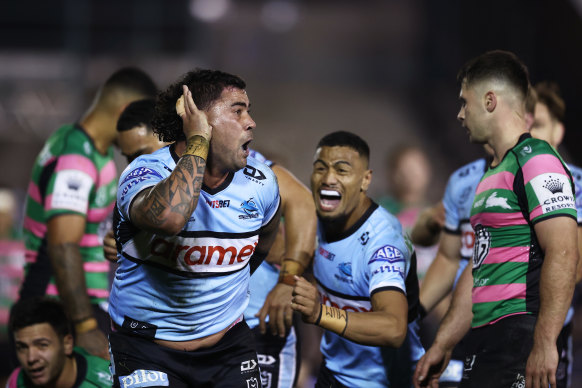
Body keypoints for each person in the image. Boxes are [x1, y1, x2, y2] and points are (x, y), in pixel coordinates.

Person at [105, 96, 317, 388]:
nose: (135, 161)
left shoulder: (243, 167)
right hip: (157, 341)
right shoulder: (142, 178)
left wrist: (288, 278)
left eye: (140, 151)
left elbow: (299, 206)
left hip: (248, 323)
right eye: (128, 157)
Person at [414, 50, 578, 388]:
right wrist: (443, 342)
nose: (460, 115)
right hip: (486, 343)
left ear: (490, 101)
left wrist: (546, 343)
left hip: (521, 337)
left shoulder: (537, 161)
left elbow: (563, 252)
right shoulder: (491, 176)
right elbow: (478, 268)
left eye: (465, 102)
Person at [19, 67, 157, 359]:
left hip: (84, 305)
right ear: (125, 110)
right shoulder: (76, 156)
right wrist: (84, 325)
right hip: (59, 309)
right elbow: (63, 244)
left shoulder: (98, 152)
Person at [291, 131, 424, 387]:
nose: (328, 179)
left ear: (365, 180)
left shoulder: (383, 242)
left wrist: (320, 313)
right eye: (320, 168)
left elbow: (394, 328)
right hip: (332, 374)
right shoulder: (315, 222)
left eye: (342, 171)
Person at [6, 296, 111, 388]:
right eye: (22, 347)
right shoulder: (17, 381)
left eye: (42, 345)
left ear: (67, 344)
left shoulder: (111, 381)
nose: (31, 358)